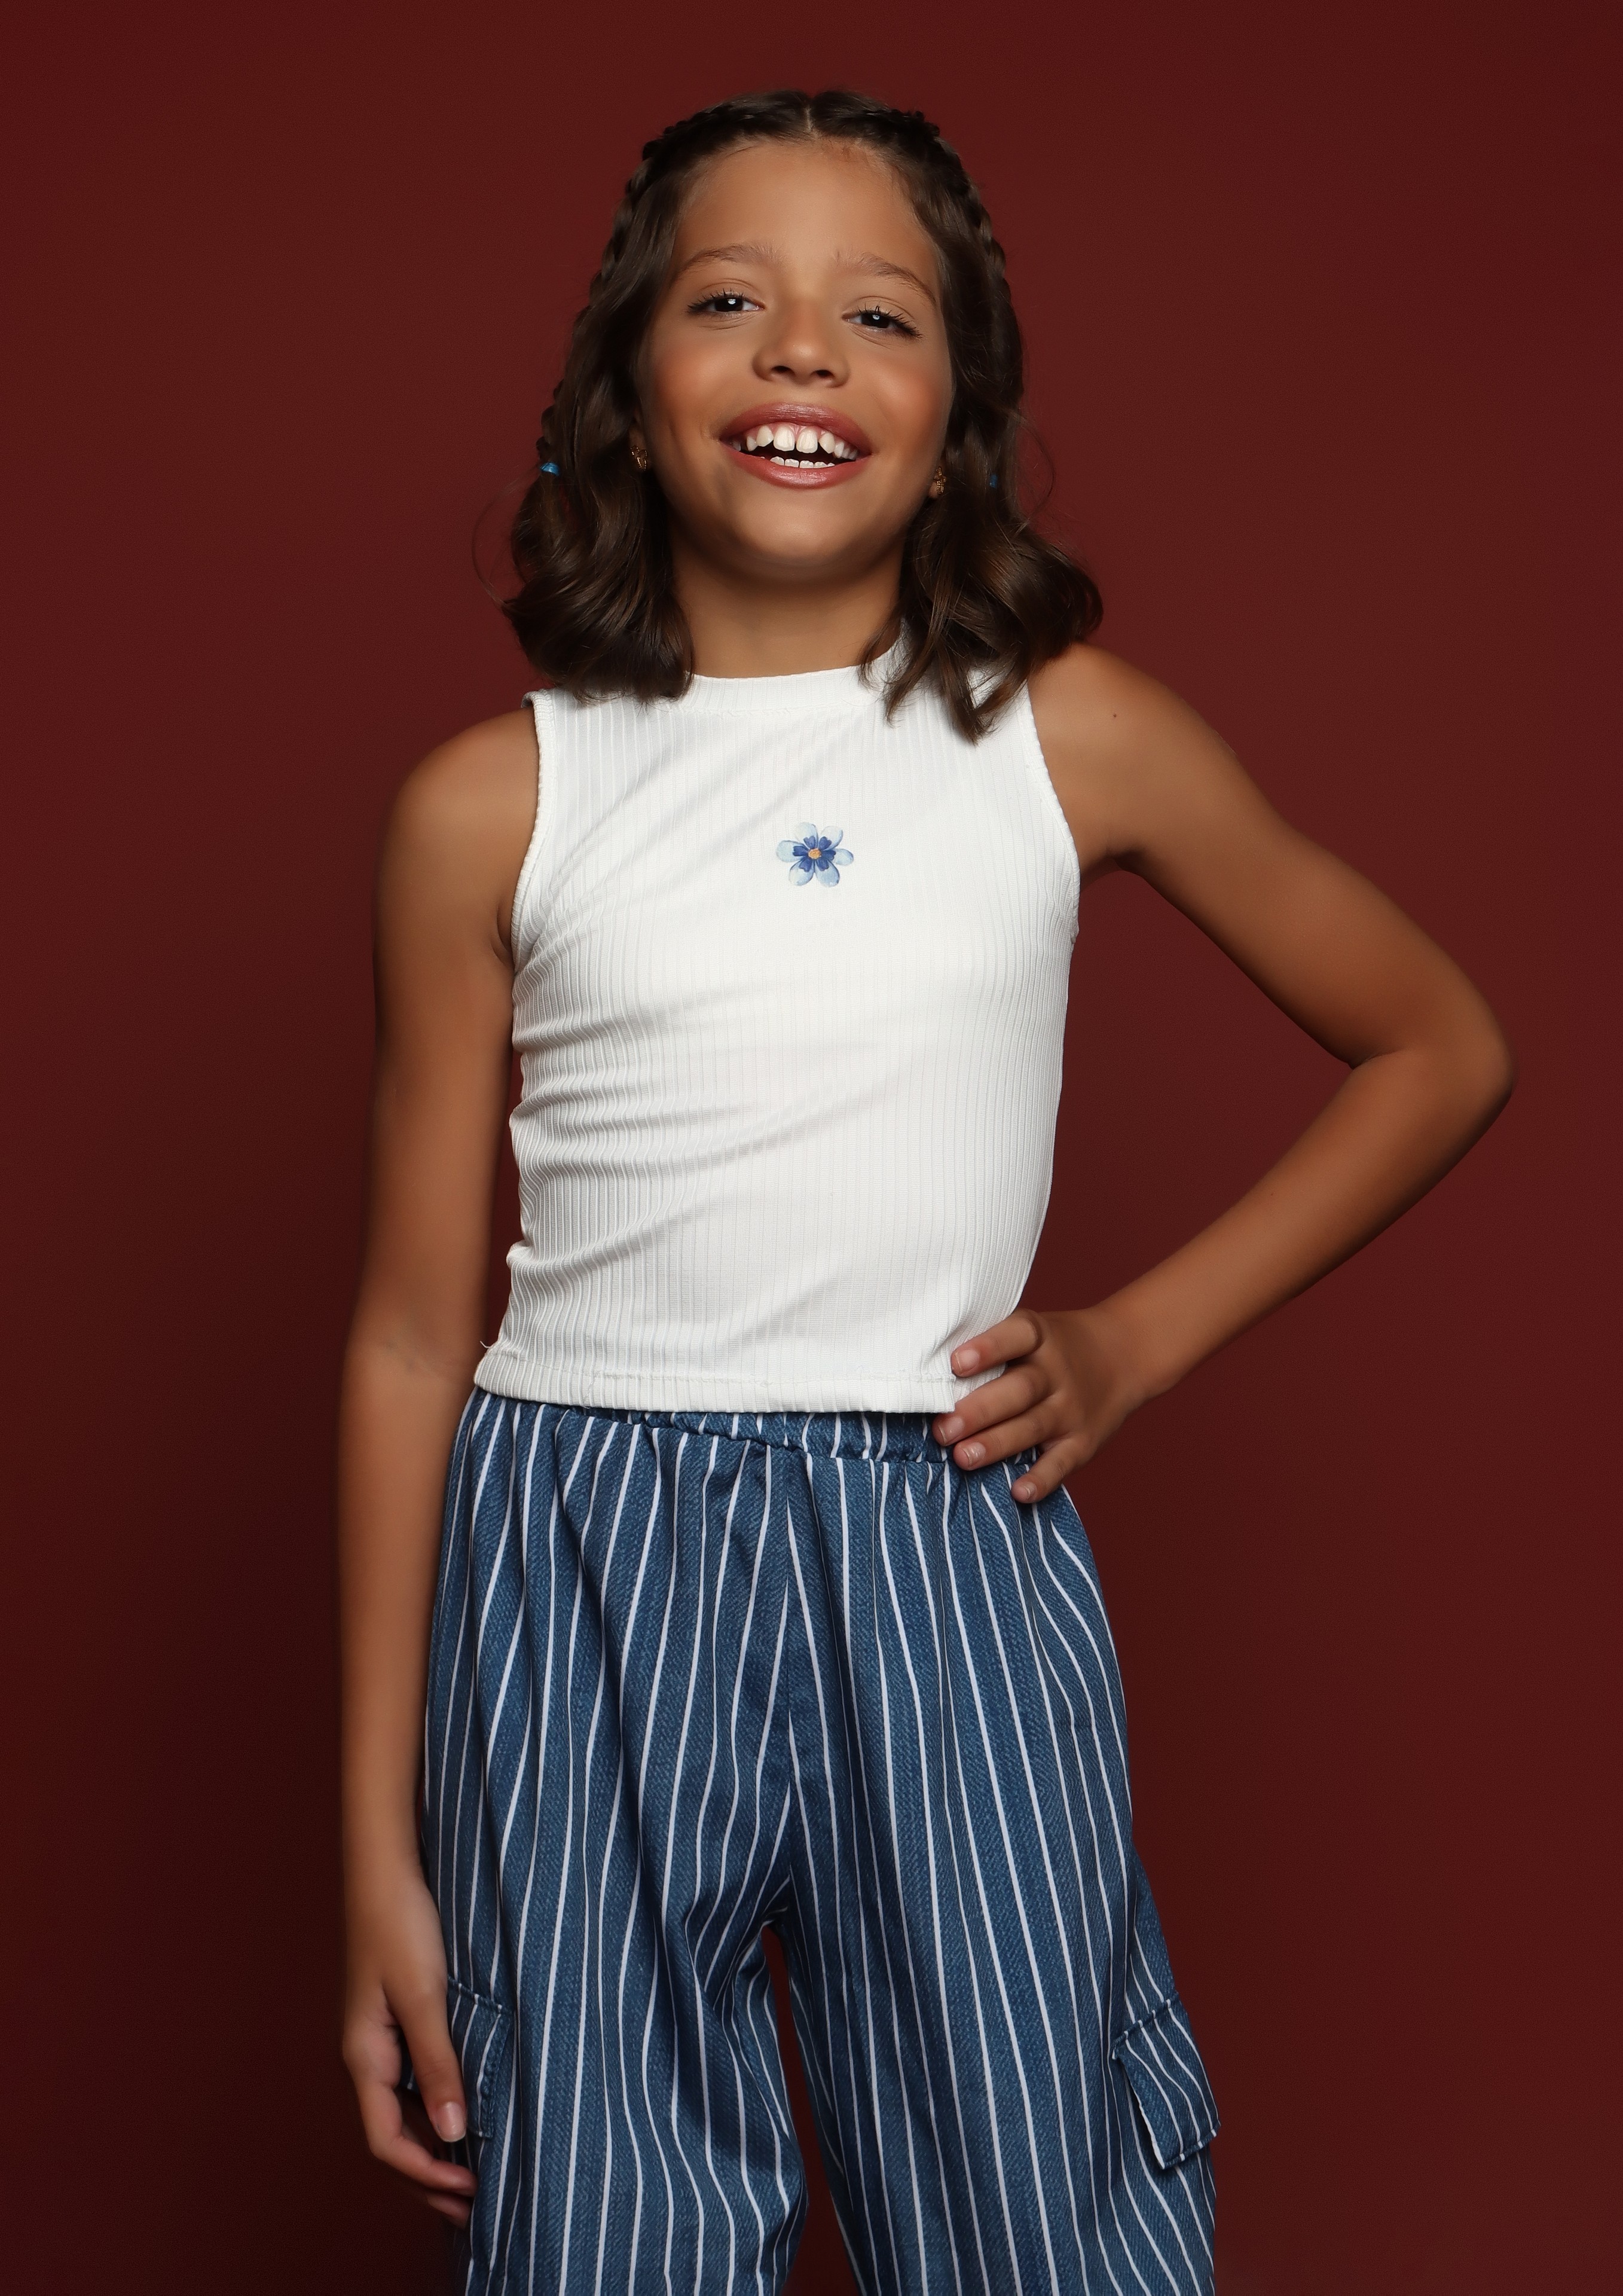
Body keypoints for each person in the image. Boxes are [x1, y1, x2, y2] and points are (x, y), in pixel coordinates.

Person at [338, 88, 1512, 2296]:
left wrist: (1131, 1343)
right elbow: (411, 1335)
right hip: (573, 1553)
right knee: (594, 2224)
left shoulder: (1070, 737)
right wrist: (375, 1863)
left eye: (875, 314)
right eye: (728, 301)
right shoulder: (493, 804)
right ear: (624, 395)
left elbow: (1438, 1042)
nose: (801, 349)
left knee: (1031, 2209)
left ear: (957, 422)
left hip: (945, 1529)